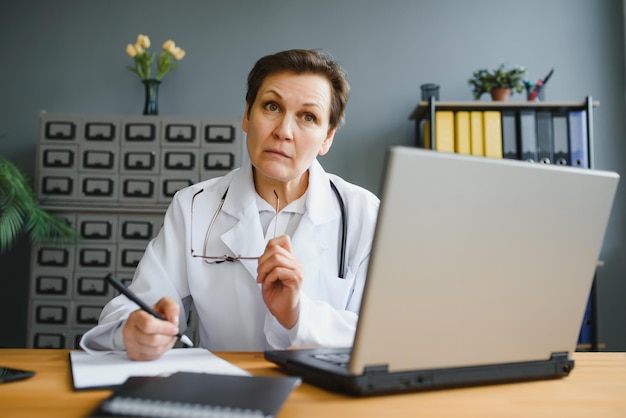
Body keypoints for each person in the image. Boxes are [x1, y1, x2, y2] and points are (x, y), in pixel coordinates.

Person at [80, 48, 379, 361]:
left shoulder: (363, 214)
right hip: (224, 397)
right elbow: (138, 305)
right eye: (272, 106)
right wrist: (135, 329)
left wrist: (297, 314)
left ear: (327, 138)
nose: (283, 132)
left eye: (308, 117)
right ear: (247, 115)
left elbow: (383, 335)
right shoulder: (194, 206)